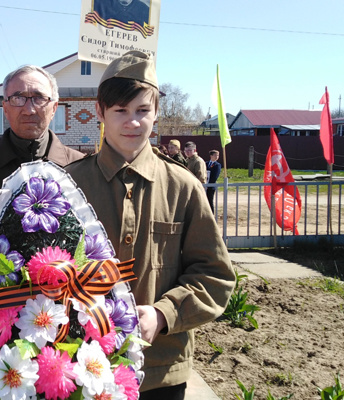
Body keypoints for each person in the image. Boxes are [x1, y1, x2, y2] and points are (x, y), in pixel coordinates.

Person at [64, 50, 235, 399]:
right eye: (120, 111)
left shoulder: (183, 187)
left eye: (143, 110)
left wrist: (163, 313)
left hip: (161, 370)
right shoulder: (68, 186)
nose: (133, 122)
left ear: (156, 112)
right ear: (100, 112)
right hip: (84, 367)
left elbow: (215, 274)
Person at [0, 64, 84, 192]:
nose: (29, 110)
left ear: (54, 108)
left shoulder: (80, 166)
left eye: (39, 98)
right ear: (5, 109)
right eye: (18, 98)